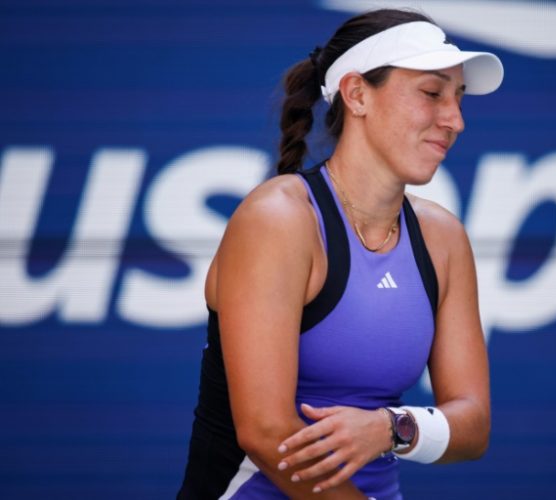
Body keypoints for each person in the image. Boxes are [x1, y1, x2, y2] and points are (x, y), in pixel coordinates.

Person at [177, 8, 504, 499]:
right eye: (432, 93)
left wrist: (391, 427)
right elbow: (266, 433)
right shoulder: (278, 218)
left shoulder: (443, 237)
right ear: (356, 95)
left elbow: (473, 424)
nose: (455, 119)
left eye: (458, 98)